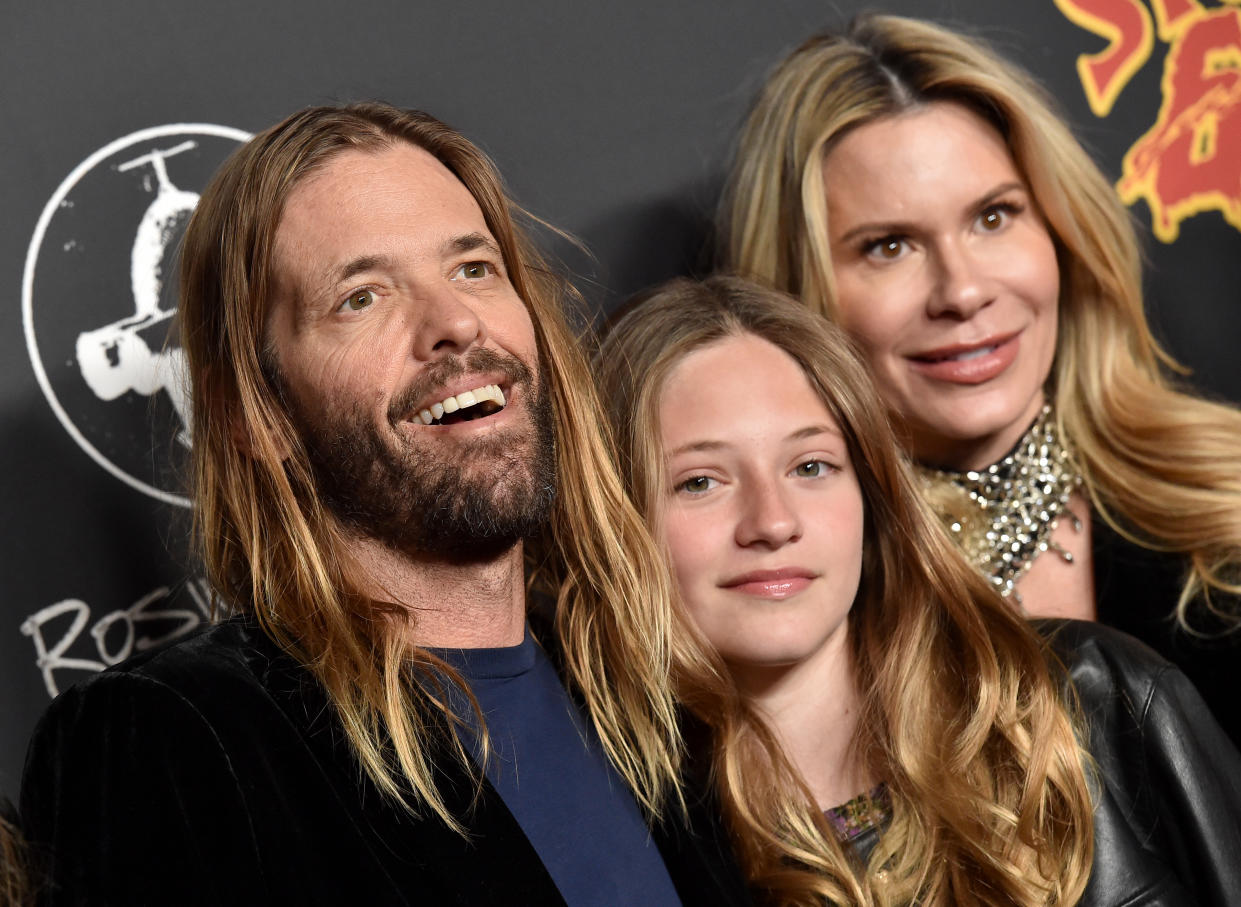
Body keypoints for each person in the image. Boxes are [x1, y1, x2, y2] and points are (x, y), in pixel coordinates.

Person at [20, 103, 747, 906]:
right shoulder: (175, 740)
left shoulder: (649, 701)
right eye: (361, 296)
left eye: (473, 268)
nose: (456, 322)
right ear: (252, 416)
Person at [596, 275, 1241, 906]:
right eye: (700, 482)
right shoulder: (622, 843)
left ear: (870, 496)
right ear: (614, 517)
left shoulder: (1103, 701)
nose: (773, 522)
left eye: (811, 466)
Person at [721, 13, 1241, 744]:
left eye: (993, 217)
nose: (961, 291)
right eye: (888, 245)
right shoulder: (784, 593)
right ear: (797, 294)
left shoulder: (1224, 502)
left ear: (1060, 231)